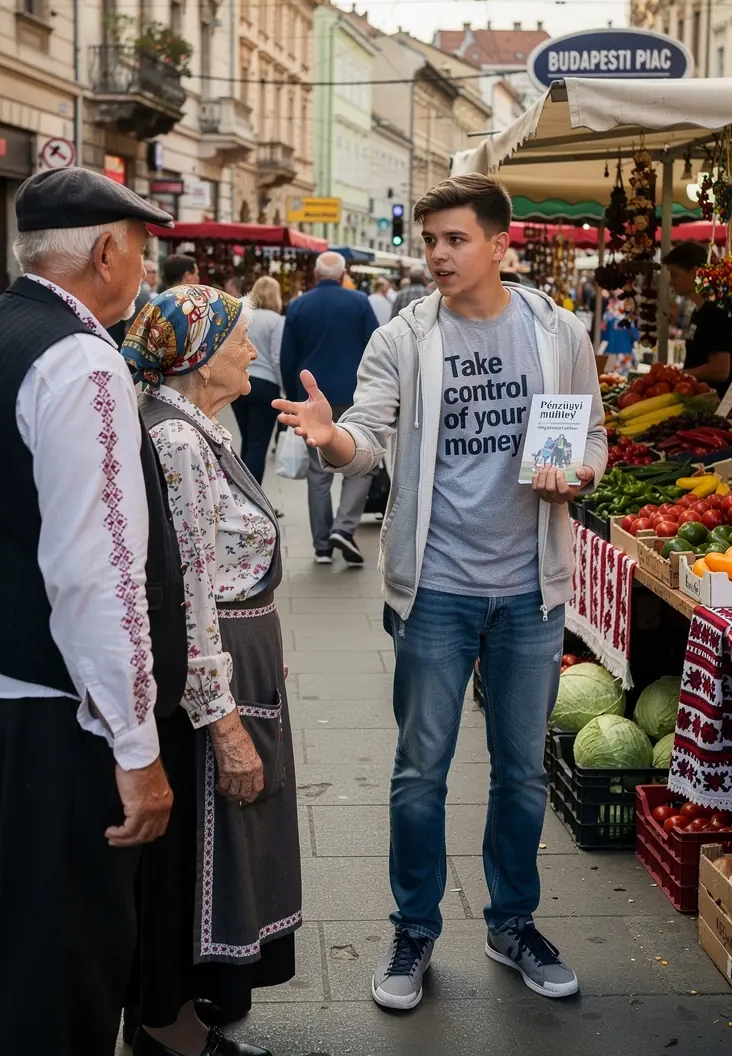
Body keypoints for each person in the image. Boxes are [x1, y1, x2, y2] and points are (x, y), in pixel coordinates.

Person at [275, 173, 607, 1011]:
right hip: (436, 591)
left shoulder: (558, 332)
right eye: (430, 240)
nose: (437, 255)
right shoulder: (406, 337)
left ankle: (512, 923)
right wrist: (332, 440)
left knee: (522, 773)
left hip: (532, 590)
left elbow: (591, 435)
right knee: (420, 770)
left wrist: (581, 471)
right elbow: (367, 437)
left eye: (455, 239)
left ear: (500, 244)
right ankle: (414, 929)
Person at [0, 167, 188, 1056]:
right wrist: (136, 747)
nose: (144, 266)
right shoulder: (82, 359)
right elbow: (97, 574)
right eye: (140, 247)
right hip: (46, 706)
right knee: (63, 958)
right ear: (106, 252)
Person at [122, 285, 301, 1056]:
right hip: (213, 668)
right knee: (201, 847)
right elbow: (189, 588)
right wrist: (223, 719)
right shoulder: (179, 442)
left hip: (238, 654)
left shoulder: (199, 429)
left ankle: (193, 1004)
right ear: (199, 358)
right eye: (238, 342)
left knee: (222, 843)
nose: (252, 352)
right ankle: (169, 1025)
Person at [279, 251, 378, 566]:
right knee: (361, 461)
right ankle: (344, 528)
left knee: (318, 472)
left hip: (312, 399)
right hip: (354, 394)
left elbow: (287, 357)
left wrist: (294, 397)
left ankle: (322, 545)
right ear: (343, 274)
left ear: (316, 274)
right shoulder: (359, 302)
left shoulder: (298, 305)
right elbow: (375, 348)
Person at [232, 276, 284, 484]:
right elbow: (277, 357)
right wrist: (284, 388)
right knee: (258, 444)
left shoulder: (243, 317)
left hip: (240, 381)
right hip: (266, 385)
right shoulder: (277, 321)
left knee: (246, 439)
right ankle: (252, 494)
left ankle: (240, 489)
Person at [663, 241, 732, 394]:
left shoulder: (715, 312)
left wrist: (680, 374)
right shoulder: (699, 311)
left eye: (675, 275)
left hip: (715, 402)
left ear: (695, 272)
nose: (671, 283)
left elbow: (721, 370)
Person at [599, 292, 639, 374]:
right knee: (624, 379)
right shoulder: (630, 317)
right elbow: (635, 336)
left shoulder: (608, 314)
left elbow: (603, 335)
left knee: (609, 378)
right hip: (626, 352)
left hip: (610, 352)